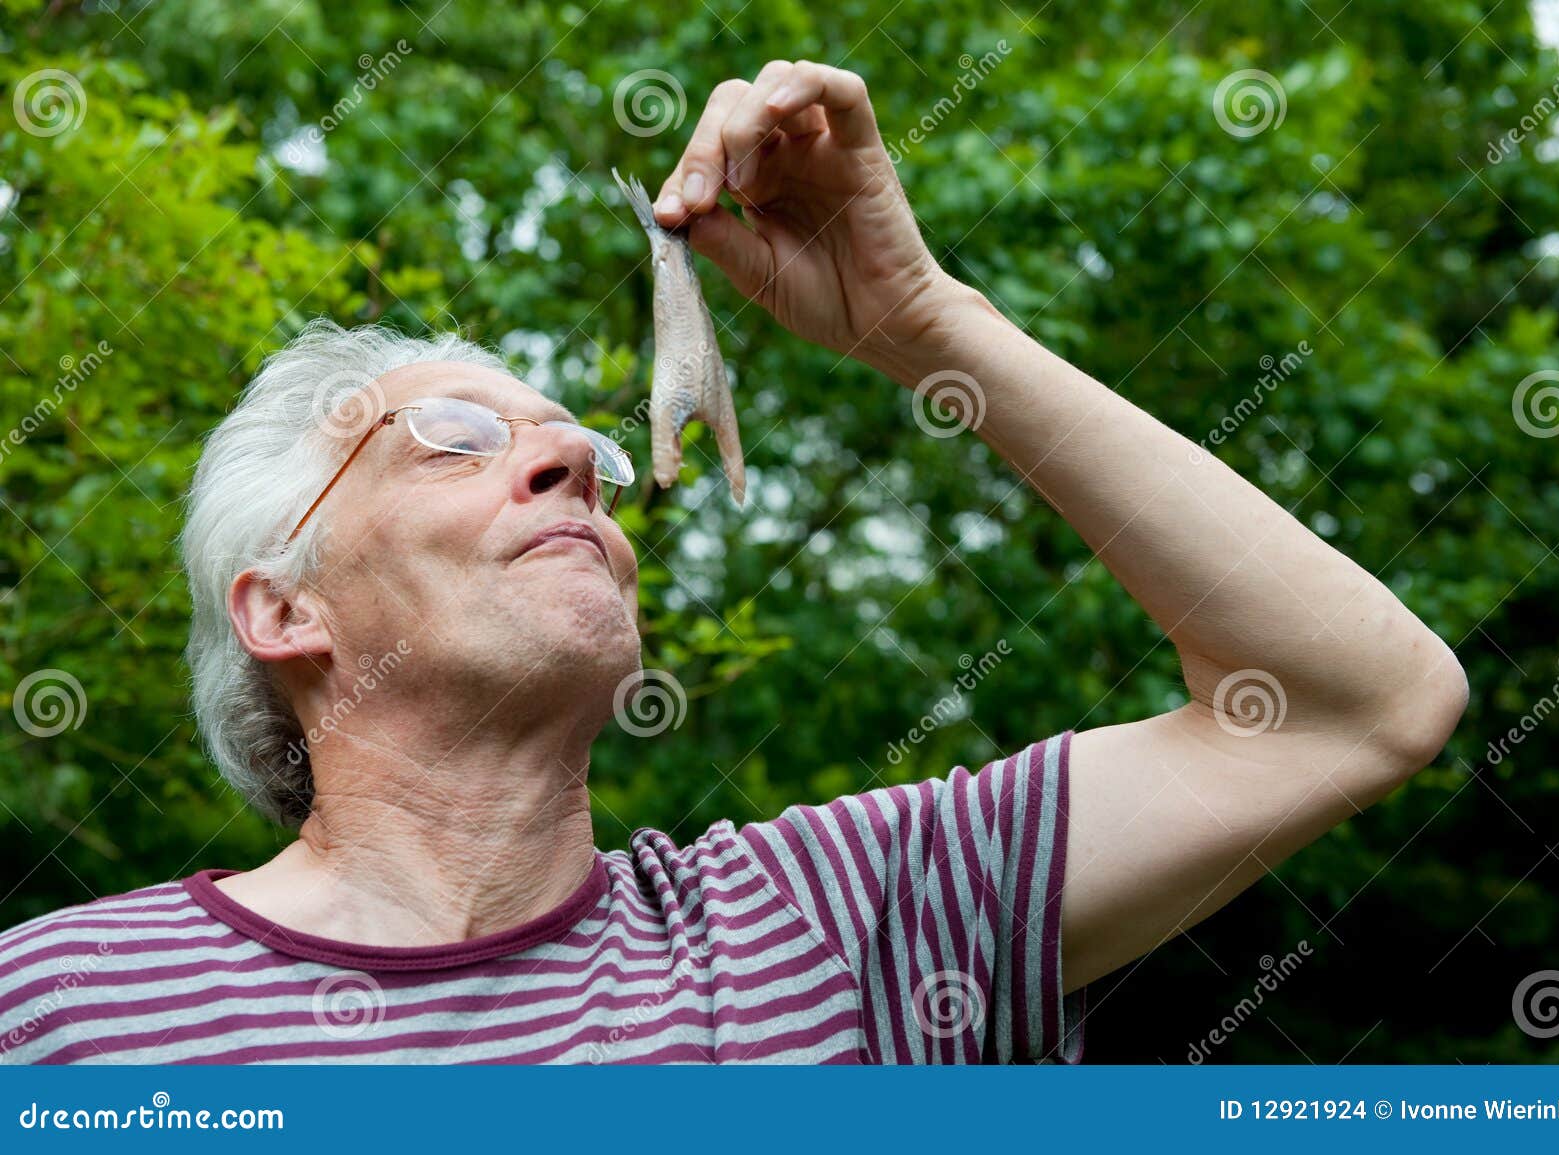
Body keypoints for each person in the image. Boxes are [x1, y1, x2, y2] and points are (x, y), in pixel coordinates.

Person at [0, 60, 1465, 1064]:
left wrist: (925, 327)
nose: (572, 460)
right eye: (449, 437)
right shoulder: (62, 1010)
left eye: (591, 446)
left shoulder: (836, 923)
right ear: (284, 607)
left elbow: (1357, 703)